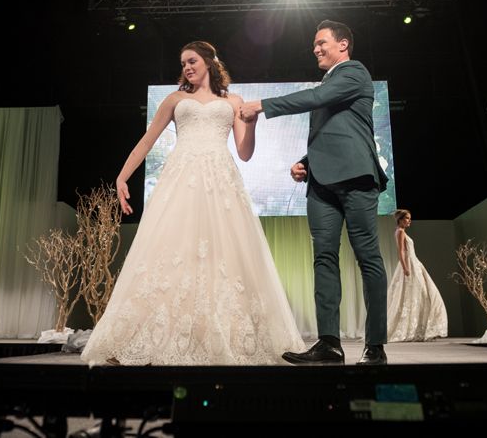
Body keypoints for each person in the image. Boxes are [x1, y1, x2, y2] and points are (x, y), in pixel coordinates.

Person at [81, 41, 306, 366]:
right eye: (183, 62)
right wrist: (121, 177)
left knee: (222, 255)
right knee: (171, 251)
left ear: (210, 62)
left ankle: (220, 336)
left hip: (220, 182)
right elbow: (148, 140)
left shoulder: (233, 101)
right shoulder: (175, 99)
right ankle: (144, 339)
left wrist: (252, 125)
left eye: (192, 61)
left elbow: (244, 153)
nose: (186, 67)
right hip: (181, 179)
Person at [239, 20, 388, 365]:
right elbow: (335, 129)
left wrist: (263, 105)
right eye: (314, 45)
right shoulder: (331, 81)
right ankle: (329, 344)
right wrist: (304, 162)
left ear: (344, 44)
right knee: (323, 259)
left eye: (321, 43)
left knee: (368, 259)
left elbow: (318, 98)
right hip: (320, 184)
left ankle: (375, 346)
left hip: (357, 178)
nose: (316, 49)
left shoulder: (354, 73)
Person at [387, 209, 448, 342]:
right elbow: (401, 251)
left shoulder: (402, 232)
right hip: (409, 265)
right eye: (407, 218)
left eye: (409, 218)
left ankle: (420, 329)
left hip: (415, 264)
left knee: (422, 295)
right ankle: (414, 330)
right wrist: (405, 268)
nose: (409, 220)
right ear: (400, 219)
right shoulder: (400, 232)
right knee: (415, 295)